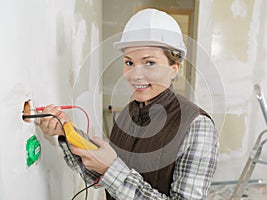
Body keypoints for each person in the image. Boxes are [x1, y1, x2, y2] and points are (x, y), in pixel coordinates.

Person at [39, 8, 218, 200]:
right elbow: (100, 174)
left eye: (149, 63)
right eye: (129, 62)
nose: (135, 75)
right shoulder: (128, 113)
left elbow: (111, 171)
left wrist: (111, 168)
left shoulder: (197, 125)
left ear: (174, 68)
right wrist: (67, 131)